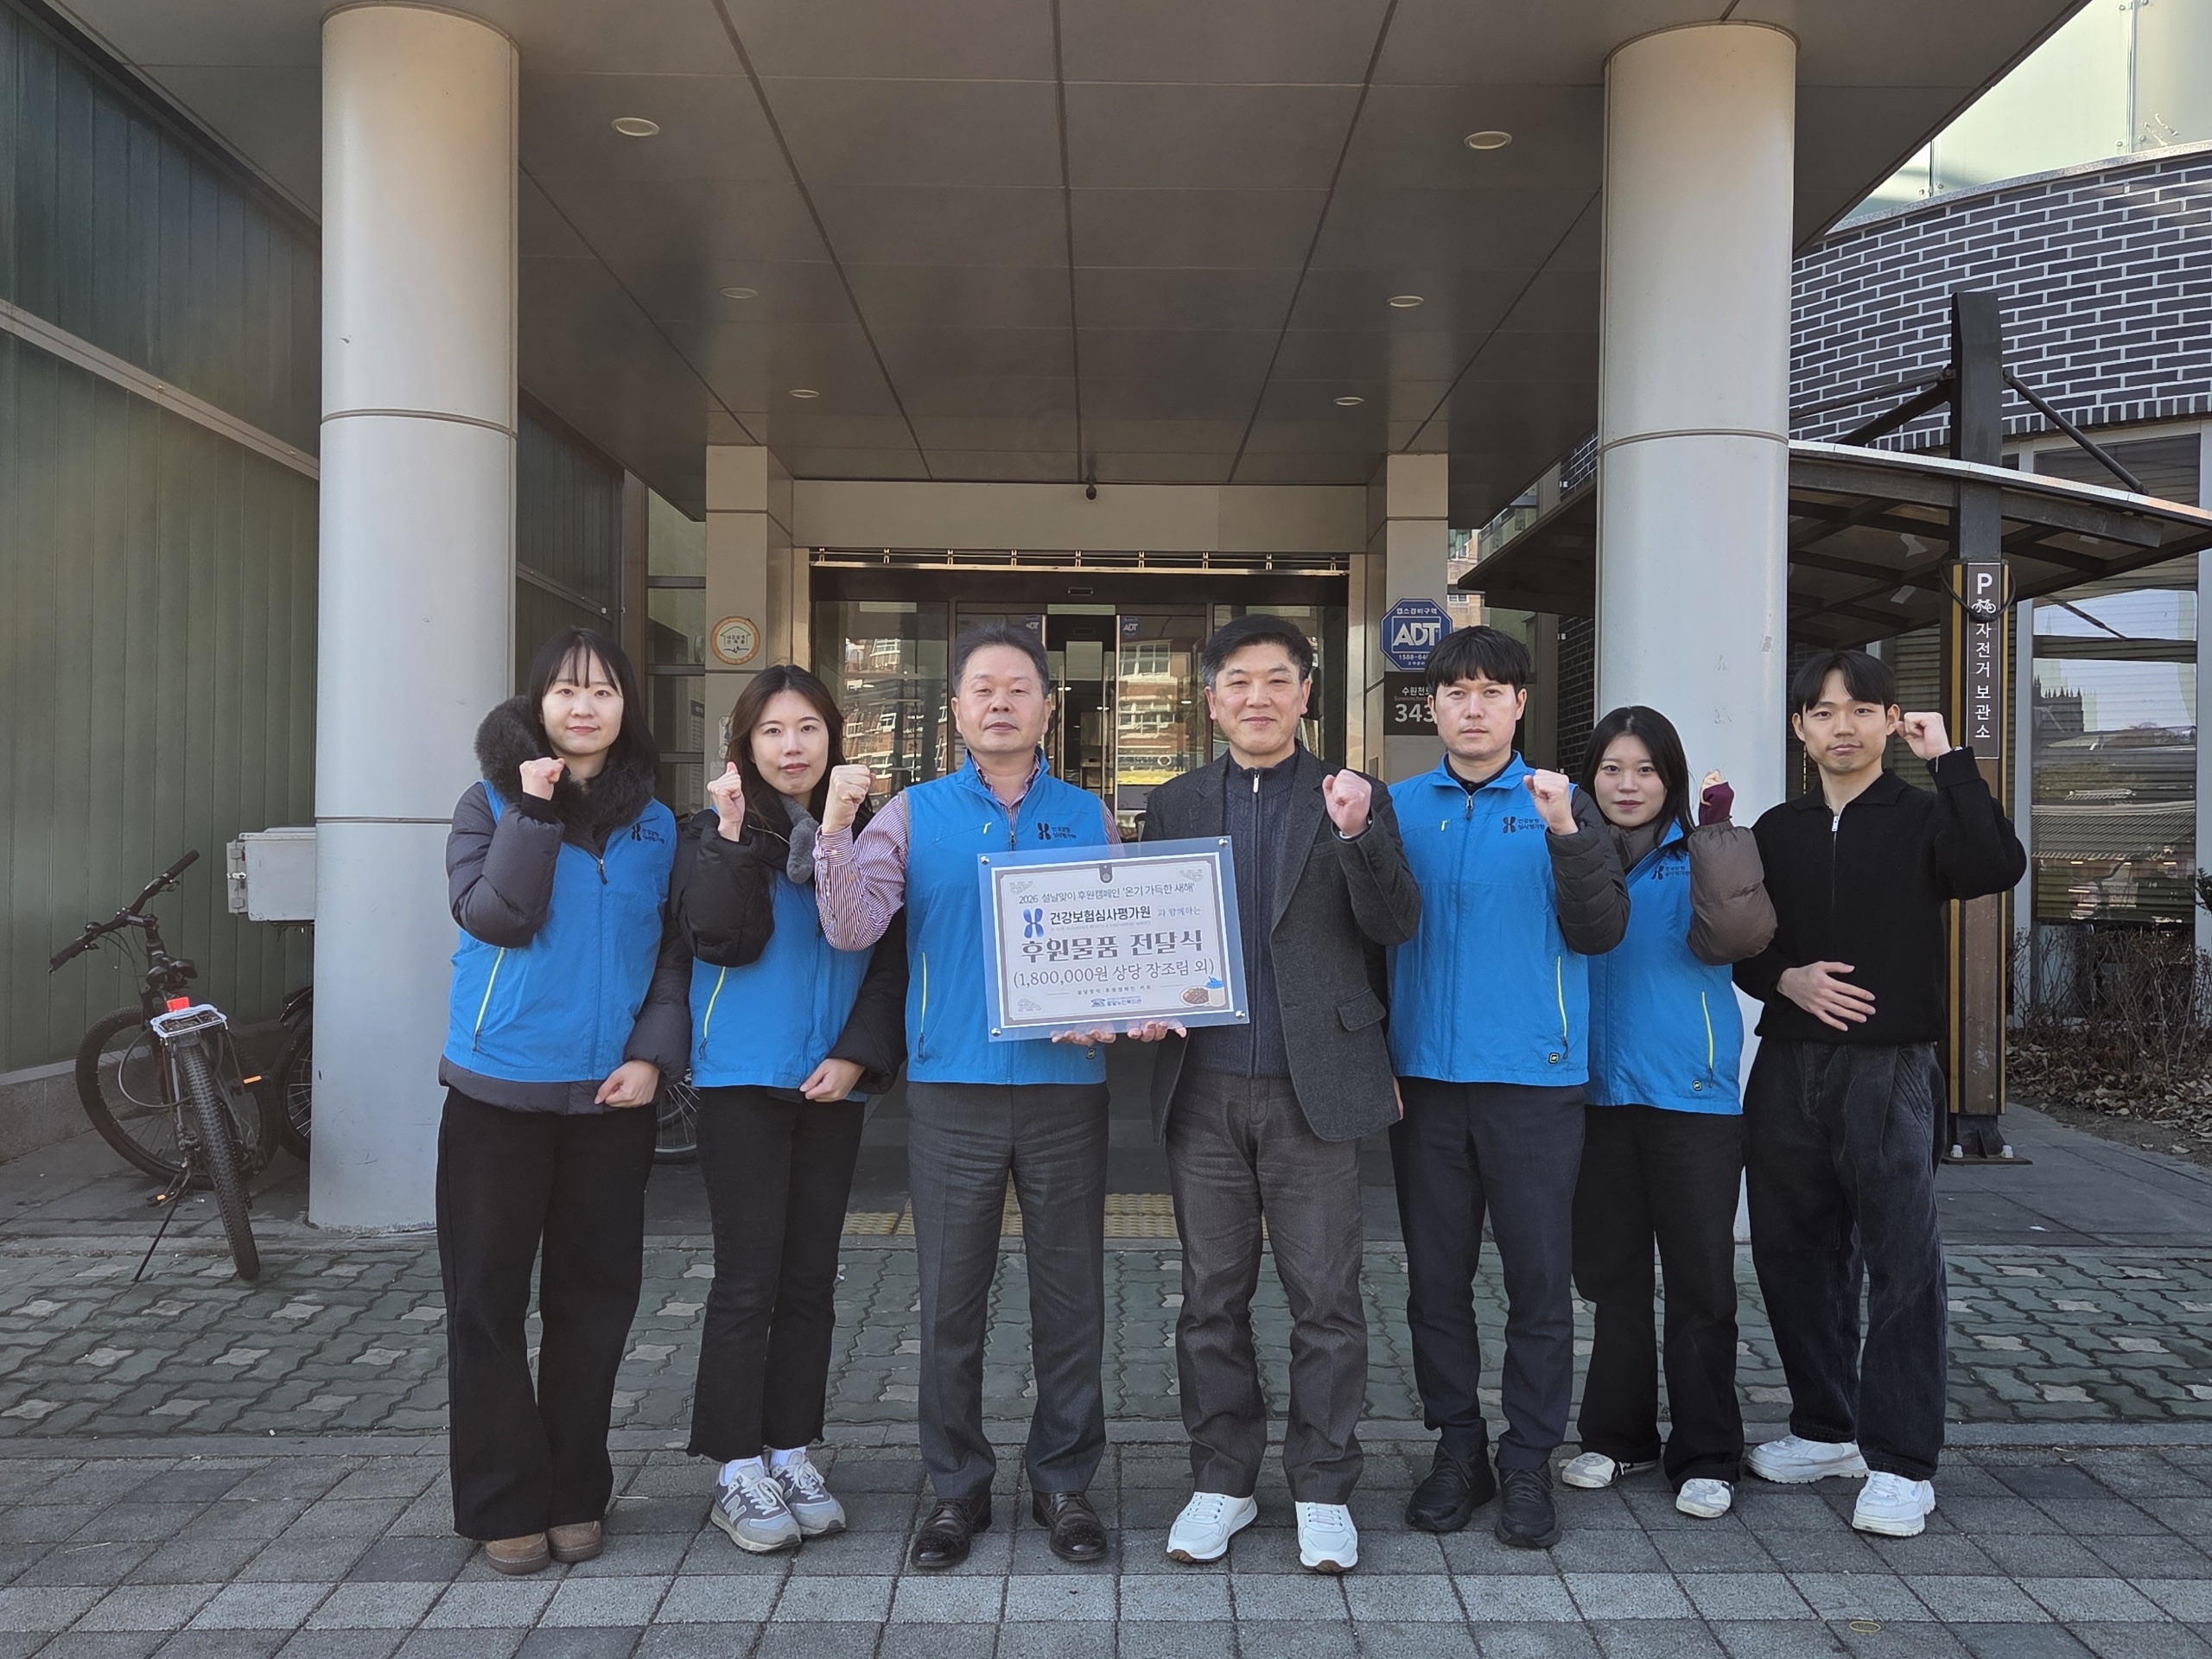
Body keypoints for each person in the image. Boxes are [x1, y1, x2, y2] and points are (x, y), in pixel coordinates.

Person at [814, 623, 1166, 1570]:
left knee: (1070, 1297)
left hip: (1065, 1090)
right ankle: (956, 1489)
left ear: (1048, 706)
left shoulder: (1086, 813)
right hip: (950, 1089)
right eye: (983, 688)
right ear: (958, 709)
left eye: (1020, 688)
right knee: (949, 1301)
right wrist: (836, 829)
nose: (1001, 702)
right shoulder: (913, 813)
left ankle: (1064, 1480)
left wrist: (1122, 1007)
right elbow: (851, 928)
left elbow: (1120, 943)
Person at [1140, 615, 1421, 1574]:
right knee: (1210, 1301)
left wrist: (1354, 838)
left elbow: (1395, 923)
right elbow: (1148, 937)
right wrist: (1141, 1003)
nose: (1256, 697)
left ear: (1306, 694)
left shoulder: (1354, 796)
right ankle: (1222, 1481)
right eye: (1236, 682)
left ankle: (1324, 1487)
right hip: (1204, 1086)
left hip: (1318, 1088)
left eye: (1276, 680)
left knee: (1327, 1301)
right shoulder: (1172, 803)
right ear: (1211, 699)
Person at [1733, 649, 2024, 1538]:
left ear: (1890, 721)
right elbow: (1738, 939)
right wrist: (1784, 981)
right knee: (1792, 1252)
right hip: (1786, 1065)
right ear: (1799, 729)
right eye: (1823, 713)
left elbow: (1994, 866)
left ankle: (1901, 1463)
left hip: (1889, 1067)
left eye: (1862, 710)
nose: (1843, 727)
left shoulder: (1927, 817)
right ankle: (1826, 1428)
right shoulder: (1774, 829)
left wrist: (1951, 760)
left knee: (1903, 1262)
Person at [436, 628, 689, 1575]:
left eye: (605, 692)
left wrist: (655, 1058)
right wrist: (533, 810)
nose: (585, 708)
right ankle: (505, 1499)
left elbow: (672, 951)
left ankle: (577, 1487)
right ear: (538, 704)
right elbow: (497, 915)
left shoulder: (656, 824)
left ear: (627, 710)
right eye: (566, 691)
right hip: (496, 1090)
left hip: (609, 1101)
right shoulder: (488, 800)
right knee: (487, 1306)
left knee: (593, 1306)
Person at [1385, 624, 1628, 1548]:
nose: (1473, 706)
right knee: (1435, 1284)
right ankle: (1458, 1451)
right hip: (1427, 1085)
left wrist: (1566, 828)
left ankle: (1527, 1461)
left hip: (1535, 1081)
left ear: (1520, 704)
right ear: (1434, 706)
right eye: (1455, 691)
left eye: (1492, 690)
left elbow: (1601, 928)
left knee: (1537, 1285)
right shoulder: (1394, 808)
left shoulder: (1562, 804)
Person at [677, 665, 907, 1554]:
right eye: (772, 731)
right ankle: (735, 1465)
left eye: (807, 728)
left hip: (830, 1085)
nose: (791, 746)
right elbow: (721, 938)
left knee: (811, 1278)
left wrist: (856, 1056)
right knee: (748, 1277)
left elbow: (886, 958)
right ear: (745, 743)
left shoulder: (862, 837)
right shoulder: (709, 833)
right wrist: (734, 837)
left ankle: (790, 1447)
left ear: (832, 740)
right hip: (740, 1080)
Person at [1560, 706, 1776, 1521]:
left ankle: (1708, 1451)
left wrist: (1719, 838)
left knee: (1701, 1283)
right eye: (1611, 769)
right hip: (1597, 1098)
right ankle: (1619, 1439)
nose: (1627, 785)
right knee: (1613, 1281)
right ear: (1589, 779)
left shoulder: (1707, 856)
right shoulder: (1574, 858)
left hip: (1693, 1098)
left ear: (1672, 781)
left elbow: (1740, 937)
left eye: (1645, 770)